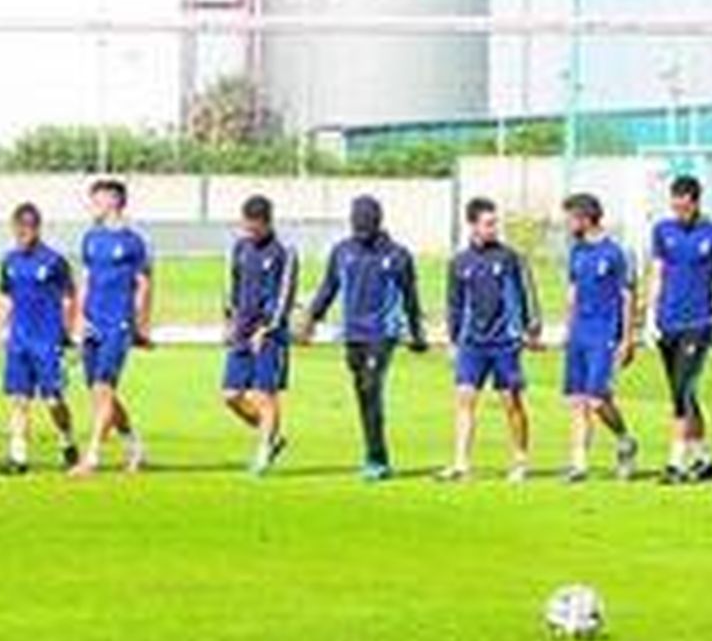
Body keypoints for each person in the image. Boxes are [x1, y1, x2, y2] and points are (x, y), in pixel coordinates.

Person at [300, 195, 427, 482]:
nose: (361, 231)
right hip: (352, 333)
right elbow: (328, 289)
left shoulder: (397, 255)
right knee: (363, 393)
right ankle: (374, 451)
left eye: (365, 225)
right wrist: (311, 319)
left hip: (383, 332)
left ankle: (377, 459)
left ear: (378, 221)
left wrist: (417, 333)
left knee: (371, 386)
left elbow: (410, 297)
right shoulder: (342, 252)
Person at [439, 197, 541, 483]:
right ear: (472, 225)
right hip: (472, 343)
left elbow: (526, 294)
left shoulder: (510, 258)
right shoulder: (459, 262)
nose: (494, 228)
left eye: (495, 223)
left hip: (505, 343)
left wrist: (531, 328)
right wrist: (453, 341)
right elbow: (454, 304)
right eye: (488, 223)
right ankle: (460, 463)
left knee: (511, 402)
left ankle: (520, 460)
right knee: (464, 399)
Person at [646, 175, 712, 484]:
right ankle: (704, 458)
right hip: (667, 322)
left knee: (683, 390)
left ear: (696, 202)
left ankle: (676, 461)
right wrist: (649, 314)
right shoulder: (662, 231)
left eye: (684, 206)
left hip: (698, 322)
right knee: (681, 391)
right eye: (675, 205)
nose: (679, 211)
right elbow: (657, 272)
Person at [70, 179, 153, 476]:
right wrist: (79, 319)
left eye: (96, 200)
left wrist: (141, 325)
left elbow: (144, 285)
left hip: (118, 322)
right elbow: (85, 280)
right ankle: (135, 446)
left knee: (105, 387)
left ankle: (91, 456)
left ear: (113, 201)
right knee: (99, 392)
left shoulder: (134, 243)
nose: (92, 206)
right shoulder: (90, 238)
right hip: (93, 323)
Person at [559, 193, 640, 483]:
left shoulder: (616, 253)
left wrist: (628, 338)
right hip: (579, 333)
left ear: (585, 218)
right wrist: (568, 330)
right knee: (577, 400)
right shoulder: (576, 252)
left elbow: (628, 296)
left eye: (569, 217)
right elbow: (573, 292)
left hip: (604, 333)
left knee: (597, 399)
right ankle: (579, 463)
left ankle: (624, 439)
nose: (566, 224)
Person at [0, 203, 80, 474]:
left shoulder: (54, 262)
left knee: (53, 400)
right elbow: (7, 297)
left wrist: (66, 330)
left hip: (46, 340)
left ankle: (67, 441)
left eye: (27, 228)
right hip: (19, 341)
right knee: (18, 399)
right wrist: (0, 327)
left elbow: (69, 297)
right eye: (18, 229)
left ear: (37, 228)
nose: (22, 234)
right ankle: (18, 457)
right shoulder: (9, 261)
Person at [221, 195, 297, 476]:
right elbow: (231, 286)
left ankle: (264, 451)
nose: (249, 232)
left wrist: (268, 328)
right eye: (246, 226)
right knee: (231, 395)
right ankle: (272, 435)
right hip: (242, 330)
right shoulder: (239, 248)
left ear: (267, 222)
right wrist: (229, 320)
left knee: (266, 394)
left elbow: (285, 295)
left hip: (270, 335)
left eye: (254, 227)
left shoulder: (284, 252)